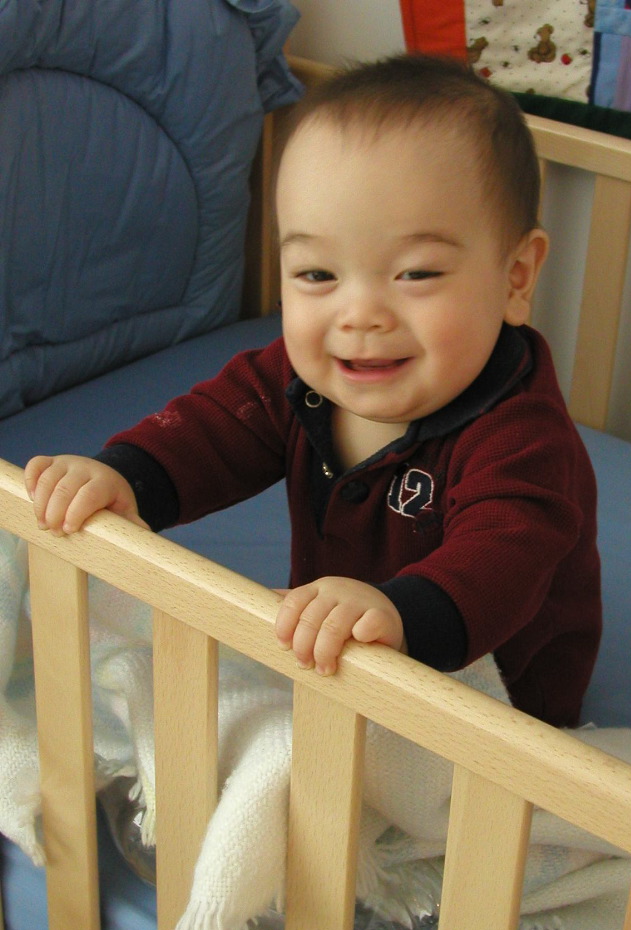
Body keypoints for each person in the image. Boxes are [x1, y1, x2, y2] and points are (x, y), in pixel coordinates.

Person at [25, 54, 601, 728]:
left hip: (496, 700)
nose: (359, 314)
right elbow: (212, 428)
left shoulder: (523, 440)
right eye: (317, 274)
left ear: (515, 278)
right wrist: (125, 476)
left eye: (415, 273)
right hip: (343, 650)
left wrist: (398, 613)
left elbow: (501, 565)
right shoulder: (297, 378)